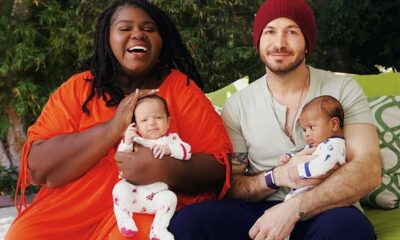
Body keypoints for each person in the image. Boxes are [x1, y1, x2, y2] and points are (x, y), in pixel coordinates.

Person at [6, 0, 232, 239]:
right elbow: (38, 168)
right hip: (69, 211)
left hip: (144, 209)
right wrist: (112, 129)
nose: (138, 34)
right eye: (125, 29)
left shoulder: (181, 89)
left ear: (161, 40)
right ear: (107, 38)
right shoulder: (78, 89)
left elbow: (218, 169)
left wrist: (163, 168)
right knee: (23, 234)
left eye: (149, 29)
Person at [168, 0, 381, 239]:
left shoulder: (342, 89)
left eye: (291, 31)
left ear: (307, 42)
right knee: (188, 224)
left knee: (347, 230)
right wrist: (278, 176)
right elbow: (234, 185)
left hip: (328, 207)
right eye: (270, 32)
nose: (279, 43)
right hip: (259, 208)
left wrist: (293, 210)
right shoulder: (238, 104)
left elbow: (368, 169)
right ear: (258, 41)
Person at [113, 95, 190, 239]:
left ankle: (158, 229)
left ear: (168, 122)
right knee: (119, 189)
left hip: (157, 197)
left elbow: (187, 152)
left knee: (171, 198)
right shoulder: (136, 141)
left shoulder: (171, 140)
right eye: (144, 120)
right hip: (133, 194)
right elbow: (121, 158)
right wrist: (127, 141)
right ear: (137, 126)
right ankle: (124, 220)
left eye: (158, 118)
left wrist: (169, 149)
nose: (152, 123)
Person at [278, 95, 345, 200]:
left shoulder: (334, 145)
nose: (307, 134)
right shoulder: (319, 144)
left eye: (311, 127)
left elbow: (324, 164)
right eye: (304, 130)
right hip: (302, 197)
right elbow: (304, 155)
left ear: (333, 124)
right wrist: (289, 157)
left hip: (319, 198)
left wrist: (298, 171)